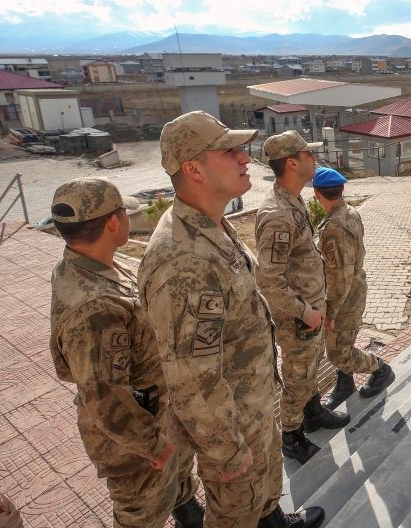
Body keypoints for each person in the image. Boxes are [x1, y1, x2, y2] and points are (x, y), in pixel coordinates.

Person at [137, 112, 323, 528]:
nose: (245, 158)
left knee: (262, 495)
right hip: (231, 425)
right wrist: (227, 450)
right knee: (234, 513)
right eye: (230, 150)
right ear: (193, 168)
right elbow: (190, 377)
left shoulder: (212, 227)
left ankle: (273, 518)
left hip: (252, 404)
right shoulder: (182, 259)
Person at [49, 177, 203, 528]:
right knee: (141, 514)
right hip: (135, 440)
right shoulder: (94, 307)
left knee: (179, 480)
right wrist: (153, 445)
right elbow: (104, 397)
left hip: (157, 411)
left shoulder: (89, 263)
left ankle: (189, 513)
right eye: (125, 212)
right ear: (114, 222)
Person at [256, 131, 350, 465]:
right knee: (297, 378)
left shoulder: (292, 201)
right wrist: (304, 312)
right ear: (293, 162)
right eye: (308, 154)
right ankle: (292, 437)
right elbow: (268, 278)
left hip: (310, 310)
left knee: (308, 371)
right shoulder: (278, 215)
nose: (314, 158)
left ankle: (313, 414)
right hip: (299, 318)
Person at [312, 166, 395, 409]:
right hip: (353, 288)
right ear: (342, 189)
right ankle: (346, 383)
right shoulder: (350, 212)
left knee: (338, 353)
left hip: (345, 296)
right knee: (342, 342)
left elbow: (340, 276)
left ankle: (380, 368)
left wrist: (331, 311)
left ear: (317, 194)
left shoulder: (335, 227)